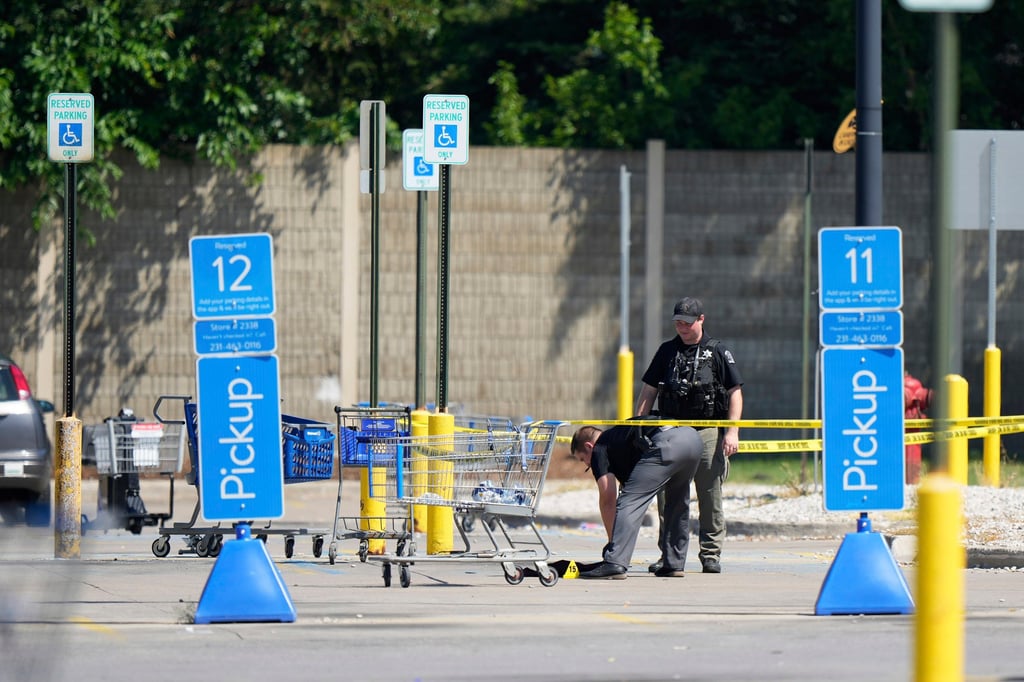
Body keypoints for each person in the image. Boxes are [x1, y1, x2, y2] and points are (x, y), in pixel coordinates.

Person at [635, 297, 744, 574]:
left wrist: (732, 432)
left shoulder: (718, 351)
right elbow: (649, 391)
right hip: (671, 428)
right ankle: (669, 555)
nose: (681, 327)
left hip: (707, 429)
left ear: (701, 320)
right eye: (677, 322)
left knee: (709, 491)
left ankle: (710, 554)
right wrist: (640, 427)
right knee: (667, 494)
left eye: (687, 322)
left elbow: (735, 393)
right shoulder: (666, 351)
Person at [569, 422, 704, 579]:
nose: (587, 464)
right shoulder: (619, 436)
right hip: (692, 439)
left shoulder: (600, 446)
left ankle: (615, 562)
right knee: (677, 502)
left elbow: (608, 498)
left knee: (629, 500)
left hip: (666, 443)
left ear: (589, 446)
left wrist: (614, 544)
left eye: (583, 459)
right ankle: (674, 564)